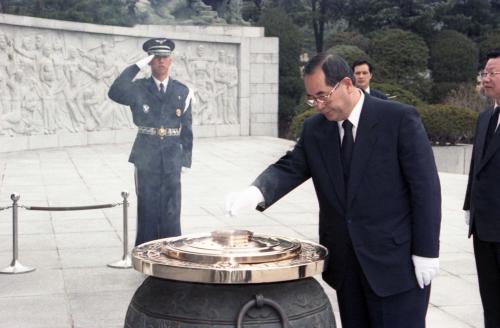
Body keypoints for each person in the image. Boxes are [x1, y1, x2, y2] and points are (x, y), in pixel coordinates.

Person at [226, 53, 441, 328]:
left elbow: (425, 189)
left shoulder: (397, 119)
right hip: (347, 267)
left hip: (396, 265)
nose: (318, 105)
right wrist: (254, 192)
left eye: (322, 95)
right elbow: (291, 167)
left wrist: (426, 251)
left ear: (347, 84)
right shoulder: (317, 129)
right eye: (312, 98)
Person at [108, 38, 193, 246]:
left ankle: (171, 250)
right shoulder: (138, 88)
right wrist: (137, 65)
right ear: (150, 61)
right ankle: (146, 251)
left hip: (172, 155)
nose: (161, 61)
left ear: (170, 60)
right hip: (146, 155)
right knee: (147, 206)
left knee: (172, 208)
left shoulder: (182, 91)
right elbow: (114, 91)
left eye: (164, 57)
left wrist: (186, 160)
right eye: (155, 58)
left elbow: (187, 128)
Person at [463, 50, 500, 328]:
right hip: (484, 225)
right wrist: (469, 206)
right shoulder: (486, 117)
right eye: (484, 73)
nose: (486, 79)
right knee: (490, 297)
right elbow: (477, 165)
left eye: (492, 73)